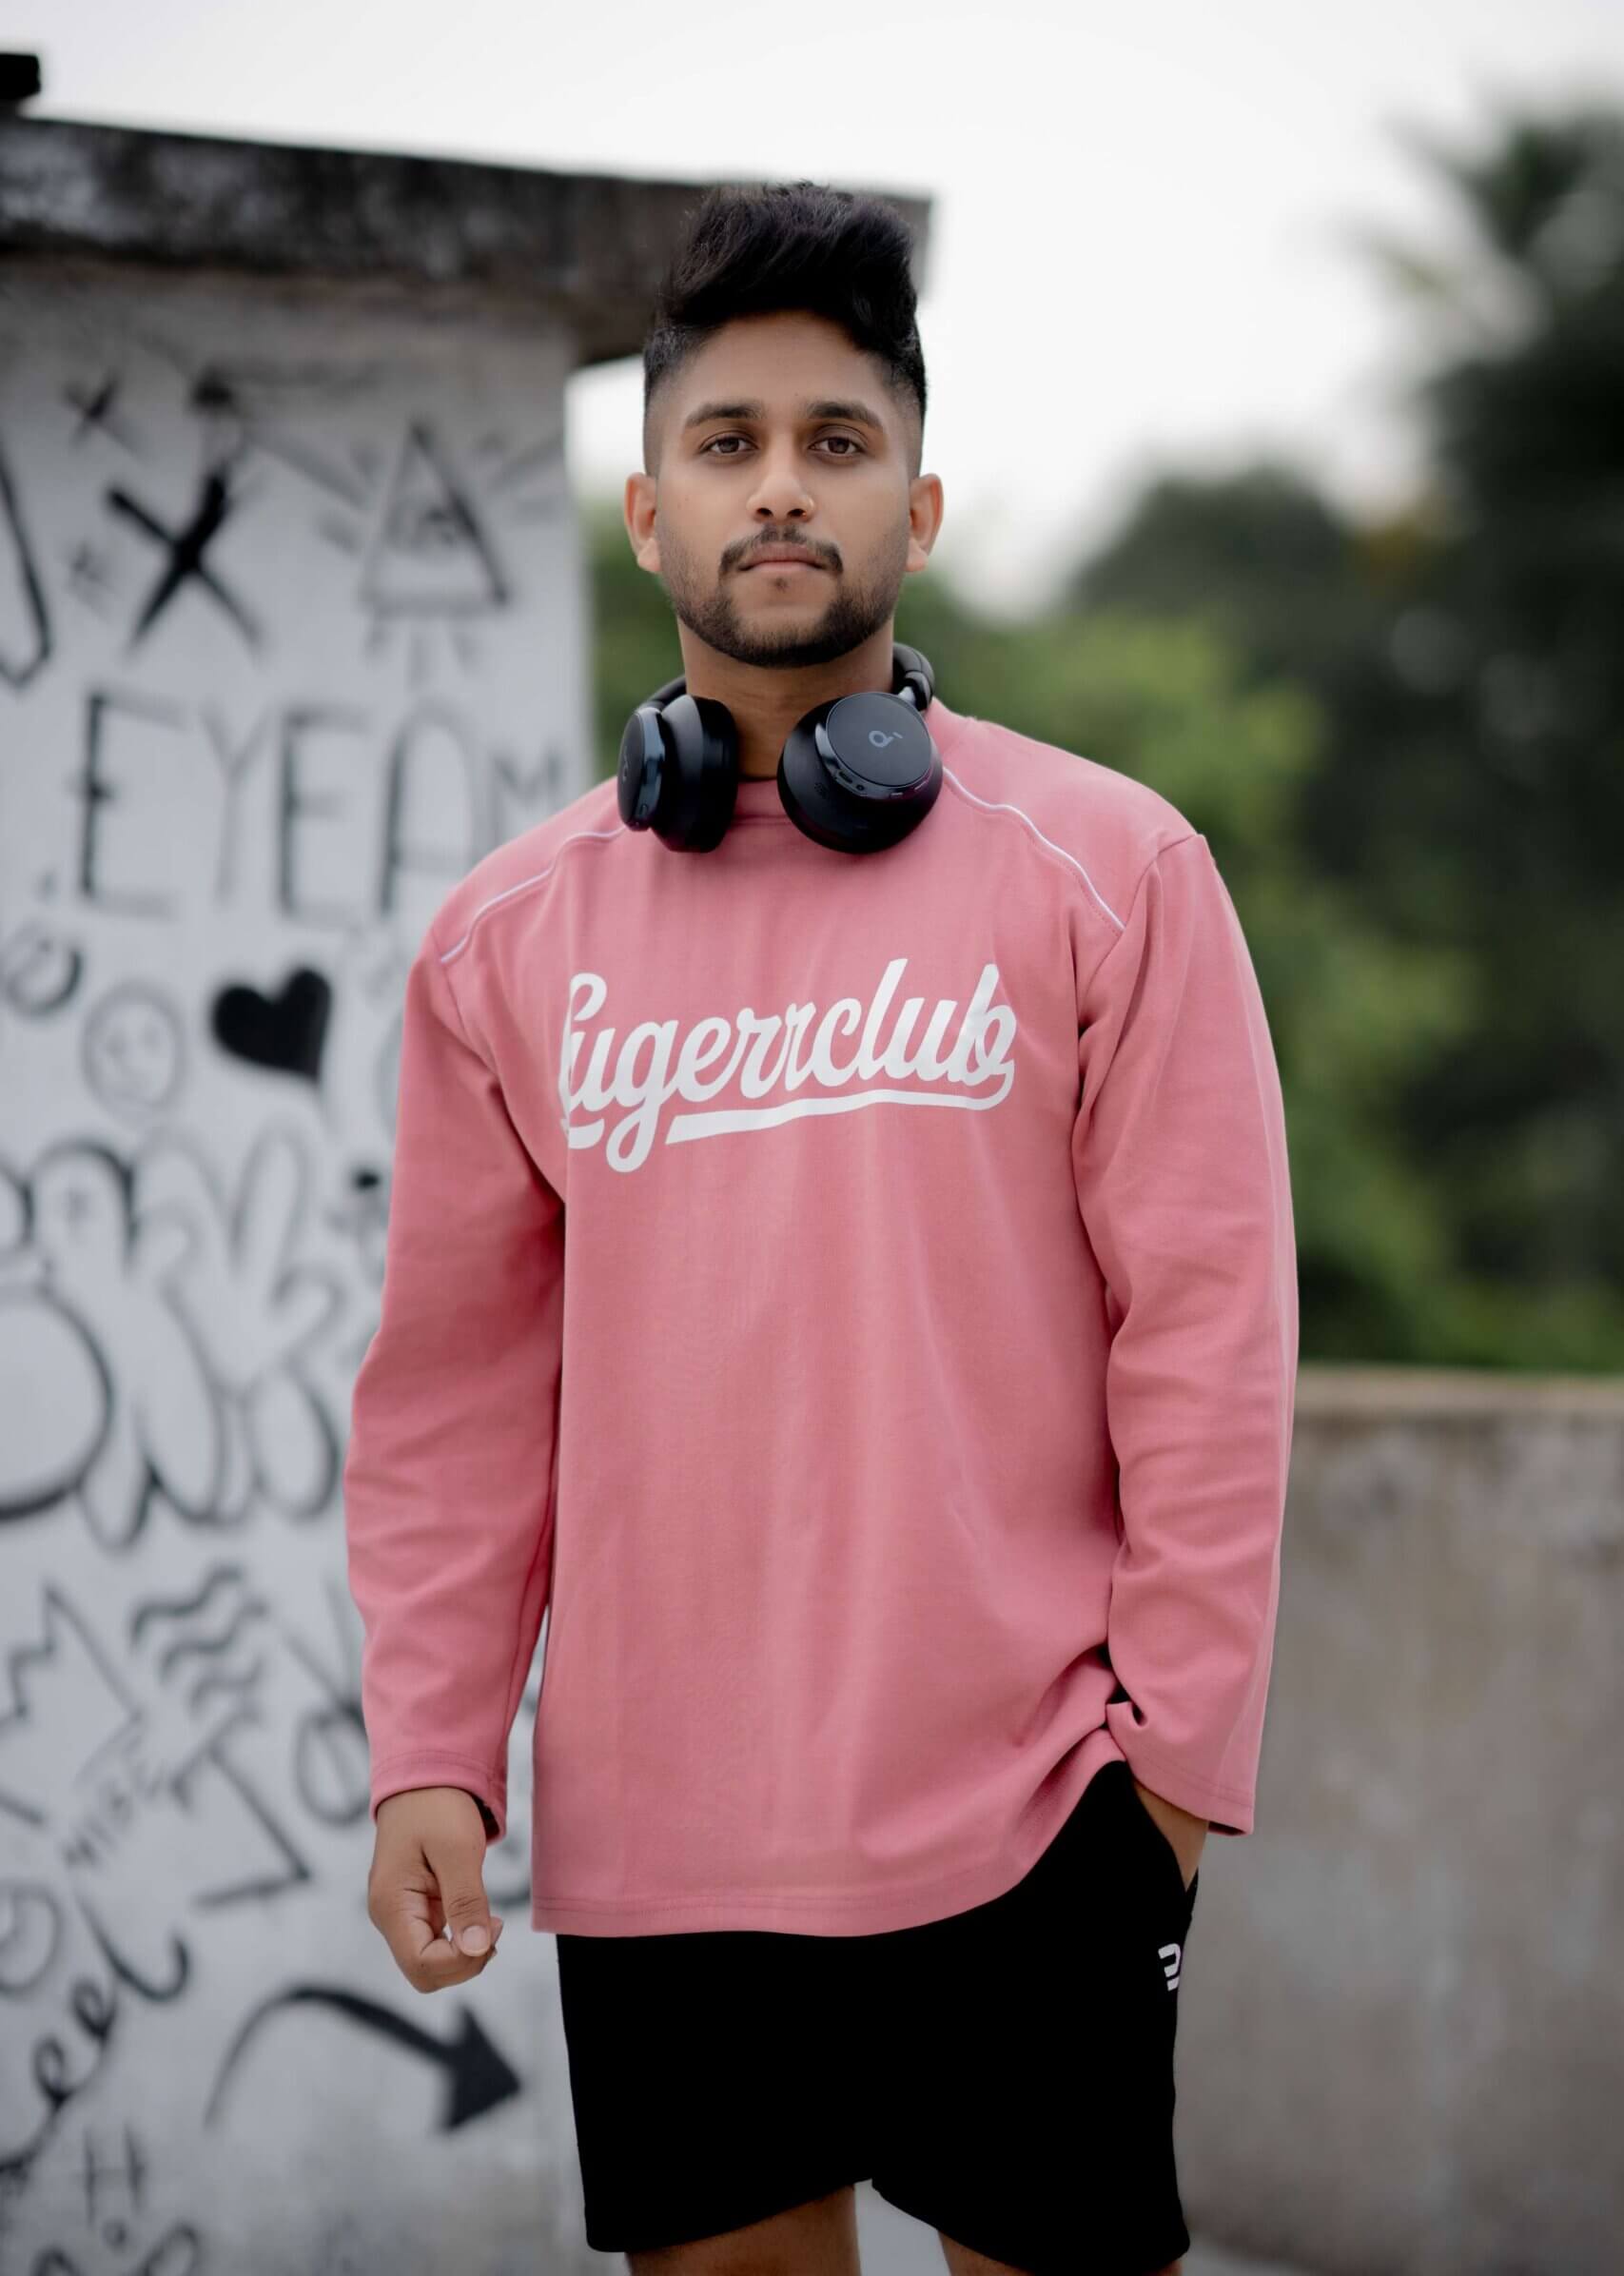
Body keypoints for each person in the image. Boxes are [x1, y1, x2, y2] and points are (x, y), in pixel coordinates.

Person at [343, 180, 1299, 2276]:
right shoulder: (506, 939)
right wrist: (434, 1752)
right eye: (729, 441)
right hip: (665, 1846)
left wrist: (1162, 1789)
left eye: (836, 441)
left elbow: (1209, 1339)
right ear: (647, 514)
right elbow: (453, 1403)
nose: (781, 485)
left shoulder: (1109, 870)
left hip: (1038, 1819)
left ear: (917, 510)